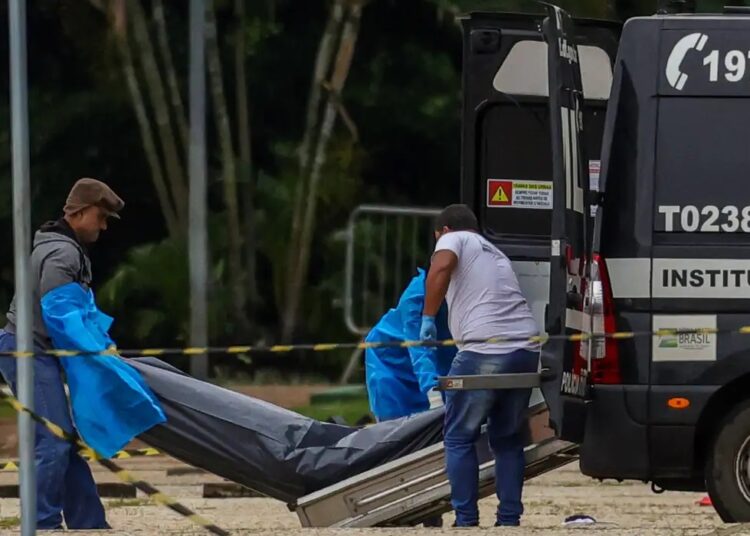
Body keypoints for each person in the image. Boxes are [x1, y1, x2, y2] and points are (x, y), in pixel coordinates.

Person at [0, 178, 124, 530]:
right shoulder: (62, 253)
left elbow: (79, 312)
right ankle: (41, 524)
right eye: (100, 217)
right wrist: (97, 353)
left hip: (36, 350)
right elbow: (62, 315)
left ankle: (89, 523)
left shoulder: (66, 248)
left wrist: (102, 344)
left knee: (63, 441)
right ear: (79, 212)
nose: (102, 226)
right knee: (53, 441)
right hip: (28, 352)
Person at [420, 204, 539, 528]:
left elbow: (442, 267)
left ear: (443, 230)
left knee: (459, 436)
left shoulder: (452, 239)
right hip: (526, 350)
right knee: (508, 439)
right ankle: (509, 521)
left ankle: (466, 521)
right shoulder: (494, 251)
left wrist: (428, 317)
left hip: (485, 350)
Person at [364, 266, 456, 528]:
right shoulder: (416, 294)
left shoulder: (465, 286)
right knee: (397, 440)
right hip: (391, 368)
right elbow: (418, 347)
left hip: (437, 366)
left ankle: (429, 507)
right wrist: (433, 391)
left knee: (435, 443)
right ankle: (394, 509)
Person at [364, 267, 455, 421]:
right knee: (395, 429)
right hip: (391, 363)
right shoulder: (415, 296)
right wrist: (433, 395)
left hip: (439, 362)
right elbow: (419, 347)